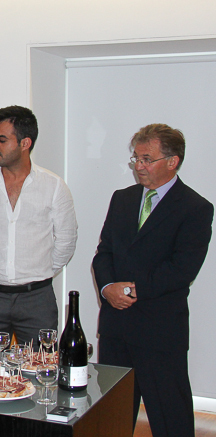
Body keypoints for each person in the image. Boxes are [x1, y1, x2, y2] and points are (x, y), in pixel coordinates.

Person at [93, 124, 212, 437]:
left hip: (160, 332)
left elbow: (182, 269)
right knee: (110, 419)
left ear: (172, 161)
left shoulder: (195, 208)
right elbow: (104, 253)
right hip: (116, 327)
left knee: (171, 421)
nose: (139, 166)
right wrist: (107, 288)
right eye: (136, 158)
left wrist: (131, 289)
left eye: (147, 159)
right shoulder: (122, 199)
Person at [0, 105, 77, 358]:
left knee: (41, 368)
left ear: (25, 143)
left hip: (37, 299)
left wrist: (39, 271)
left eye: (2, 140)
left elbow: (66, 240)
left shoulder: (54, 186)